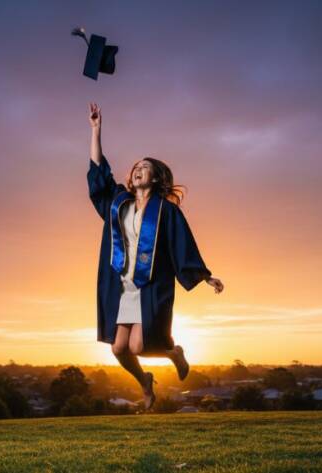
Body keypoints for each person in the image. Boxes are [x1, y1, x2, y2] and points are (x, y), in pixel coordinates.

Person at [86, 102, 225, 411]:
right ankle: (145, 381)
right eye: (136, 166)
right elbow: (98, 175)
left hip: (150, 284)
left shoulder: (167, 211)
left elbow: (182, 243)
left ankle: (173, 352)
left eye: (145, 167)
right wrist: (96, 130)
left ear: (157, 177)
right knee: (119, 348)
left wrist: (204, 276)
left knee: (138, 345)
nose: (138, 169)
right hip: (121, 284)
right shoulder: (118, 202)